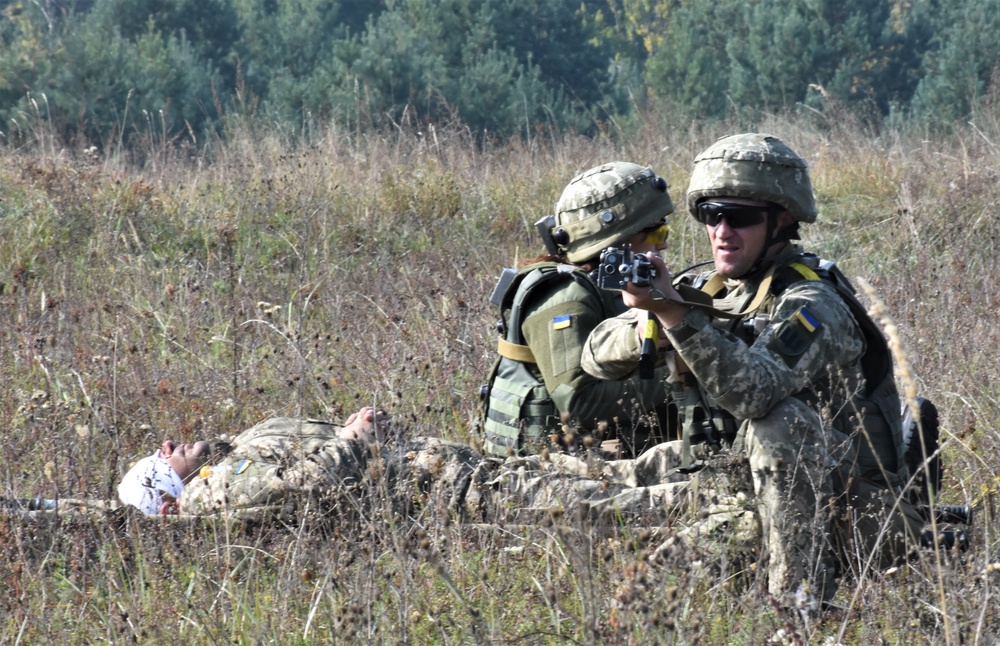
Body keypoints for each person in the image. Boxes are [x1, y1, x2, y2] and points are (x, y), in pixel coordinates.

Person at [581, 133, 925, 611]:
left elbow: (754, 395)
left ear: (782, 221)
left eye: (739, 217)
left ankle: (801, 607)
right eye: (710, 215)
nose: (722, 231)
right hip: (733, 482)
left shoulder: (813, 304)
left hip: (850, 511)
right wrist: (654, 319)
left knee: (648, 596)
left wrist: (677, 317)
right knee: (580, 481)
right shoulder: (707, 289)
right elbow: (594, 356)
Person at [481, 161, 675, 458]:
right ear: (617, 240)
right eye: (656, 233)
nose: (663, 245)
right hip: (540, 472)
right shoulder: (565, 296)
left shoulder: (612, 285)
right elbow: (578, 405)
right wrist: (680, 376)